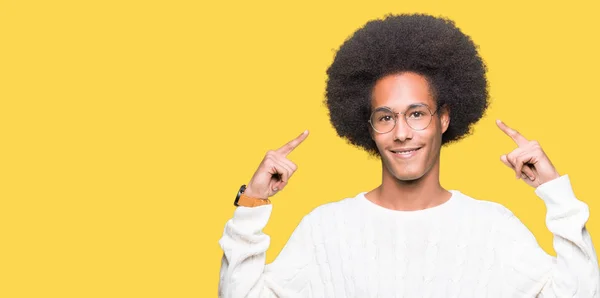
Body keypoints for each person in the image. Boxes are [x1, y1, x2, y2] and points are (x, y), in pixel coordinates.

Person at [218, 13, 600, 297]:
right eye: (386, 117)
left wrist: (555, 192)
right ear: (368, 127)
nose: (402, 133)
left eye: (417, 114)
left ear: (444, 118)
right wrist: (252, 204)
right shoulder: (327, 228)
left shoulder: (493, 227)